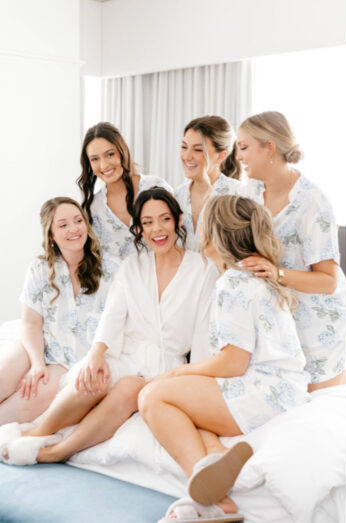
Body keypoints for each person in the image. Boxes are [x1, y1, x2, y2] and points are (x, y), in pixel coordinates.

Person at [0, 188, 218, 465]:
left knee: (127, 390)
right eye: (148, 222)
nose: (158, 229)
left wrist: (189, 378)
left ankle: (56, 452)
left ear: (178, 220)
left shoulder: (203, 268)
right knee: (92, 378)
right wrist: (96, 355)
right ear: (138, 230)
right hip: (126, 353)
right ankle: (36, 433)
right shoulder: (132, 266)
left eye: (164, 219)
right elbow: (113, 316)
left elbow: (201, 336)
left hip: (167, 365)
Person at [142, 194, 311, 522]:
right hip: (285, 389)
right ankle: (215, 460)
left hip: (266, 392)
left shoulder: (233, 282)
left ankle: (205, 495)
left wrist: (177, 375)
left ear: (211, 234)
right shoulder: (257, 276)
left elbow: (234, 363)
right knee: (187, 407)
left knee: (152, 396)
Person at [235, 111, 346, 391]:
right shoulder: (251, 196)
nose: (239, 156)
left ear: (269, 148)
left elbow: (328, 281)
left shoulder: (312, 201)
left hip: (316, 331)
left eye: (245, 147)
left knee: (314, 417)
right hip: (275, 328)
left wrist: (277, 273)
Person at [0, 198, 110, 424]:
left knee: (32, 394)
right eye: (63, 225)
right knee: (3, 374)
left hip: (69, 362)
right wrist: (37, 363)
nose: (74, 229)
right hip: (36, 345)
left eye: (78, 221)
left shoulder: (110, 269)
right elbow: (30, 324)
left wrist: (43, 371)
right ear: (51, 234)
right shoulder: (39, 269)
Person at [78, 122, 173, 271]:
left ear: (123, 151)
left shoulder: (155, 186)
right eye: (95, 159)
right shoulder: (93, 209)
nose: (103, 165)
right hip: (122, 290)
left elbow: (179, 235)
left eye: (110, 154)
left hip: (166, 280)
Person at [174, 116, 254, 251]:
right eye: (184, 147)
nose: (187, 156)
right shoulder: (176, 196)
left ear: (221, 156)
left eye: (198, 149)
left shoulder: (238, 195)